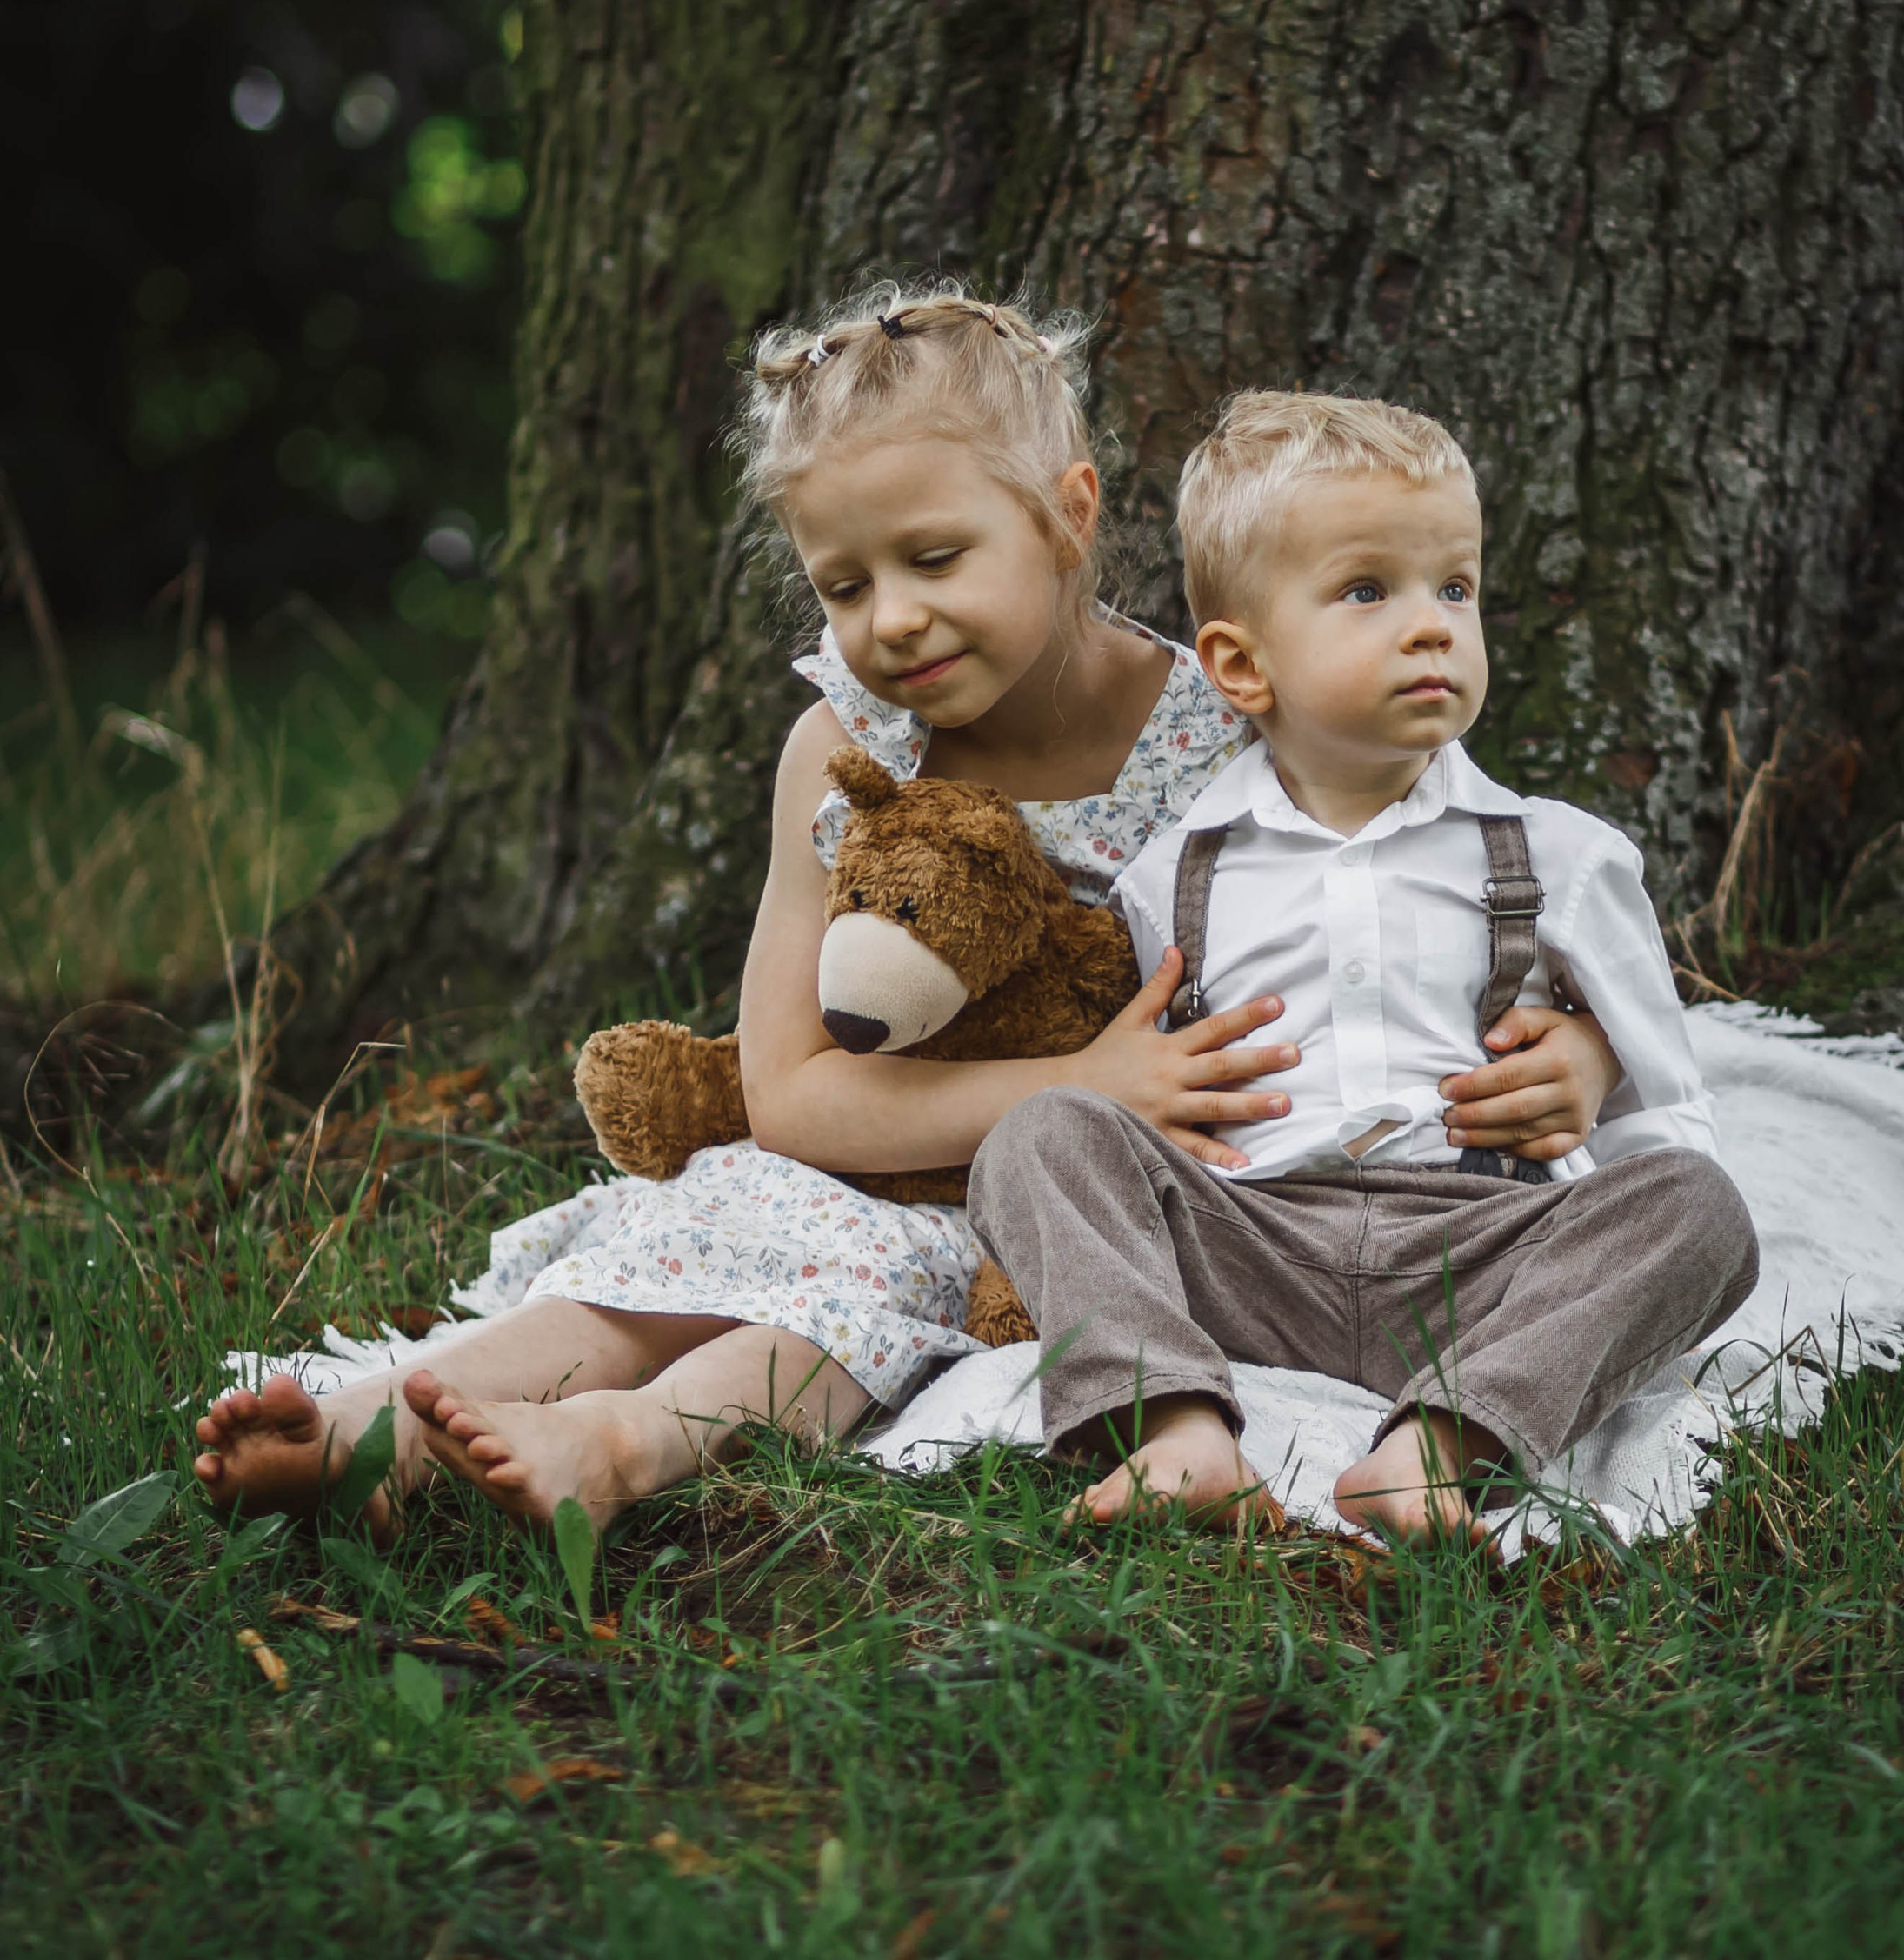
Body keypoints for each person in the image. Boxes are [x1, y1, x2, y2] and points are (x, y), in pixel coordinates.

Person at [195, 295, 1625, 1536]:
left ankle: (621, 1449)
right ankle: (381, 1417)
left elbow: (1455, 866)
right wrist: (1079, 1081)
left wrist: (1583, 1047)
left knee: (853, 1300)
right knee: (683, 1255)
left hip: (1086, 1208)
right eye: (845, 582)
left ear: (1068, 517)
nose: (890, 621)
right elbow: (792, 1094)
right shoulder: (844, 750)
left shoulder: (1229, 720)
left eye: (934, 560)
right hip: (866, 1150)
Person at [969, 391, 1760, 1545]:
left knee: (1701, 1212)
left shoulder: (1565, 859)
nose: (1433, 625)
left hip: (1478, 1257)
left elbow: (1669, 1127)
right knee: (1039, 1134)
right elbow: (1131, 1120)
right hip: (1253, 1244)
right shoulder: (1173, 873)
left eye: (1455, 587)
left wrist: (1592, 1074)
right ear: (1242, 666)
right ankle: (1175, 1426)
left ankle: (1440, 1447)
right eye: (1366, 591)